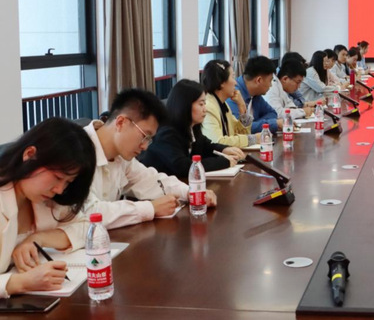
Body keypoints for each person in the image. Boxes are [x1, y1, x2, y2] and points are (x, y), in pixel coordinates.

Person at [83, 89, 217, 230]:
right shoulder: (76, 151)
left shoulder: (122, 156)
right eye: (145, 136)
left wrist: (190, 192)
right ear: (121, 122)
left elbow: (150, 180)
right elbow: (89, 213)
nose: (145, 146)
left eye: (149, 139)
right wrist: (150, 208)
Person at [0, 118, 96, 297]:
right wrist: (21, 282)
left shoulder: (44, 199)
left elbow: (88, 229)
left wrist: (38, 239)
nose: (59, 189)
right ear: (30, 154)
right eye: (57, 177)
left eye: (68, 182)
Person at [139, 79, 245, 177]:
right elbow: (184, 167)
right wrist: (224, 161)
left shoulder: (191, 127)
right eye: (201, 104)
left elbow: (206, 146)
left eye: (205, 103)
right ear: (185, 105)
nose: (205, 109)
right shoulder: (167, 133)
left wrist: (224, 149)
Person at [201, 60, 255, 148]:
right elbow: (218, 142)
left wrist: (242, 106)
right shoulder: (208, 107)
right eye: (232, 77)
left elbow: (239, 134)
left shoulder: (223, 104)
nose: (235, 82)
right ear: (222, 82)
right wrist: (253, 139)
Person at [228, 56, 281, 135]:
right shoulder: (233, 95)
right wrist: (271, 124)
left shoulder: (256, 94)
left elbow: (272, 113)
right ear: (259, 80)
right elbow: (239, 129)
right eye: (270, 81)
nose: (270, 85)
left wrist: (254, 124)